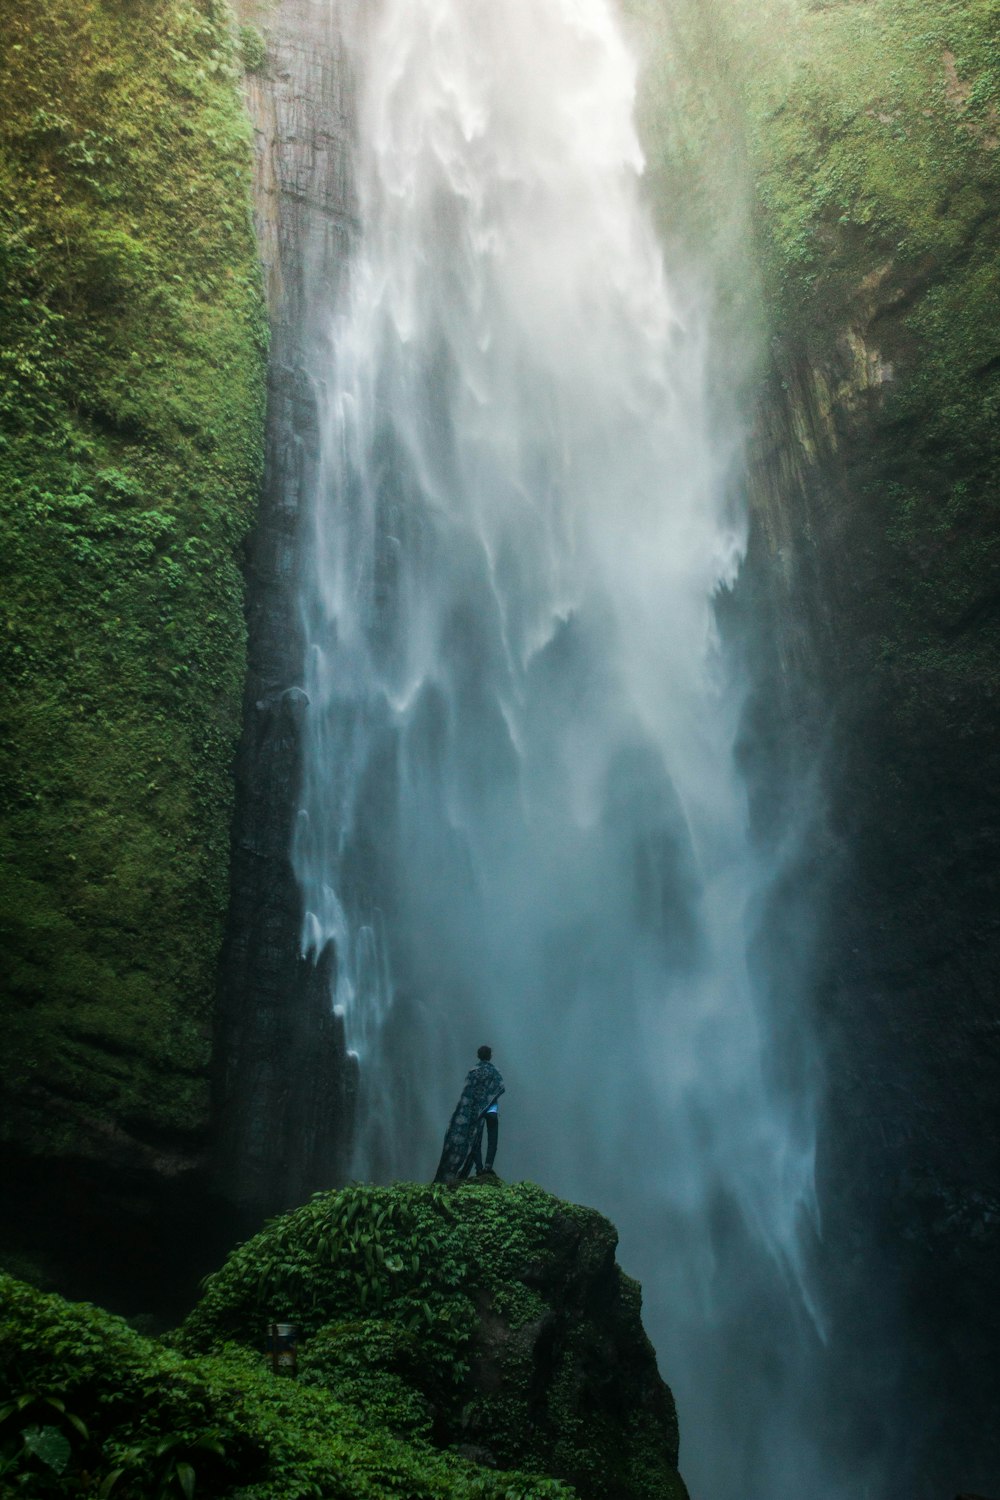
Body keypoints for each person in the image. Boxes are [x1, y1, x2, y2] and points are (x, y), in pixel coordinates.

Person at [433, 1045, 504, 1183]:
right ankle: (488, 1167)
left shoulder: (473, 1072)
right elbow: (500, 1087)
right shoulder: (495, 1071)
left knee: (475, 1138)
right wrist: (488, 1099)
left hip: (476, 1109)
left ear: (478, 1056)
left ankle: (479, 1168)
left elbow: (467, 1092)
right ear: (490, 1056)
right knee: (492, 1137)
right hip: (491, 1108)